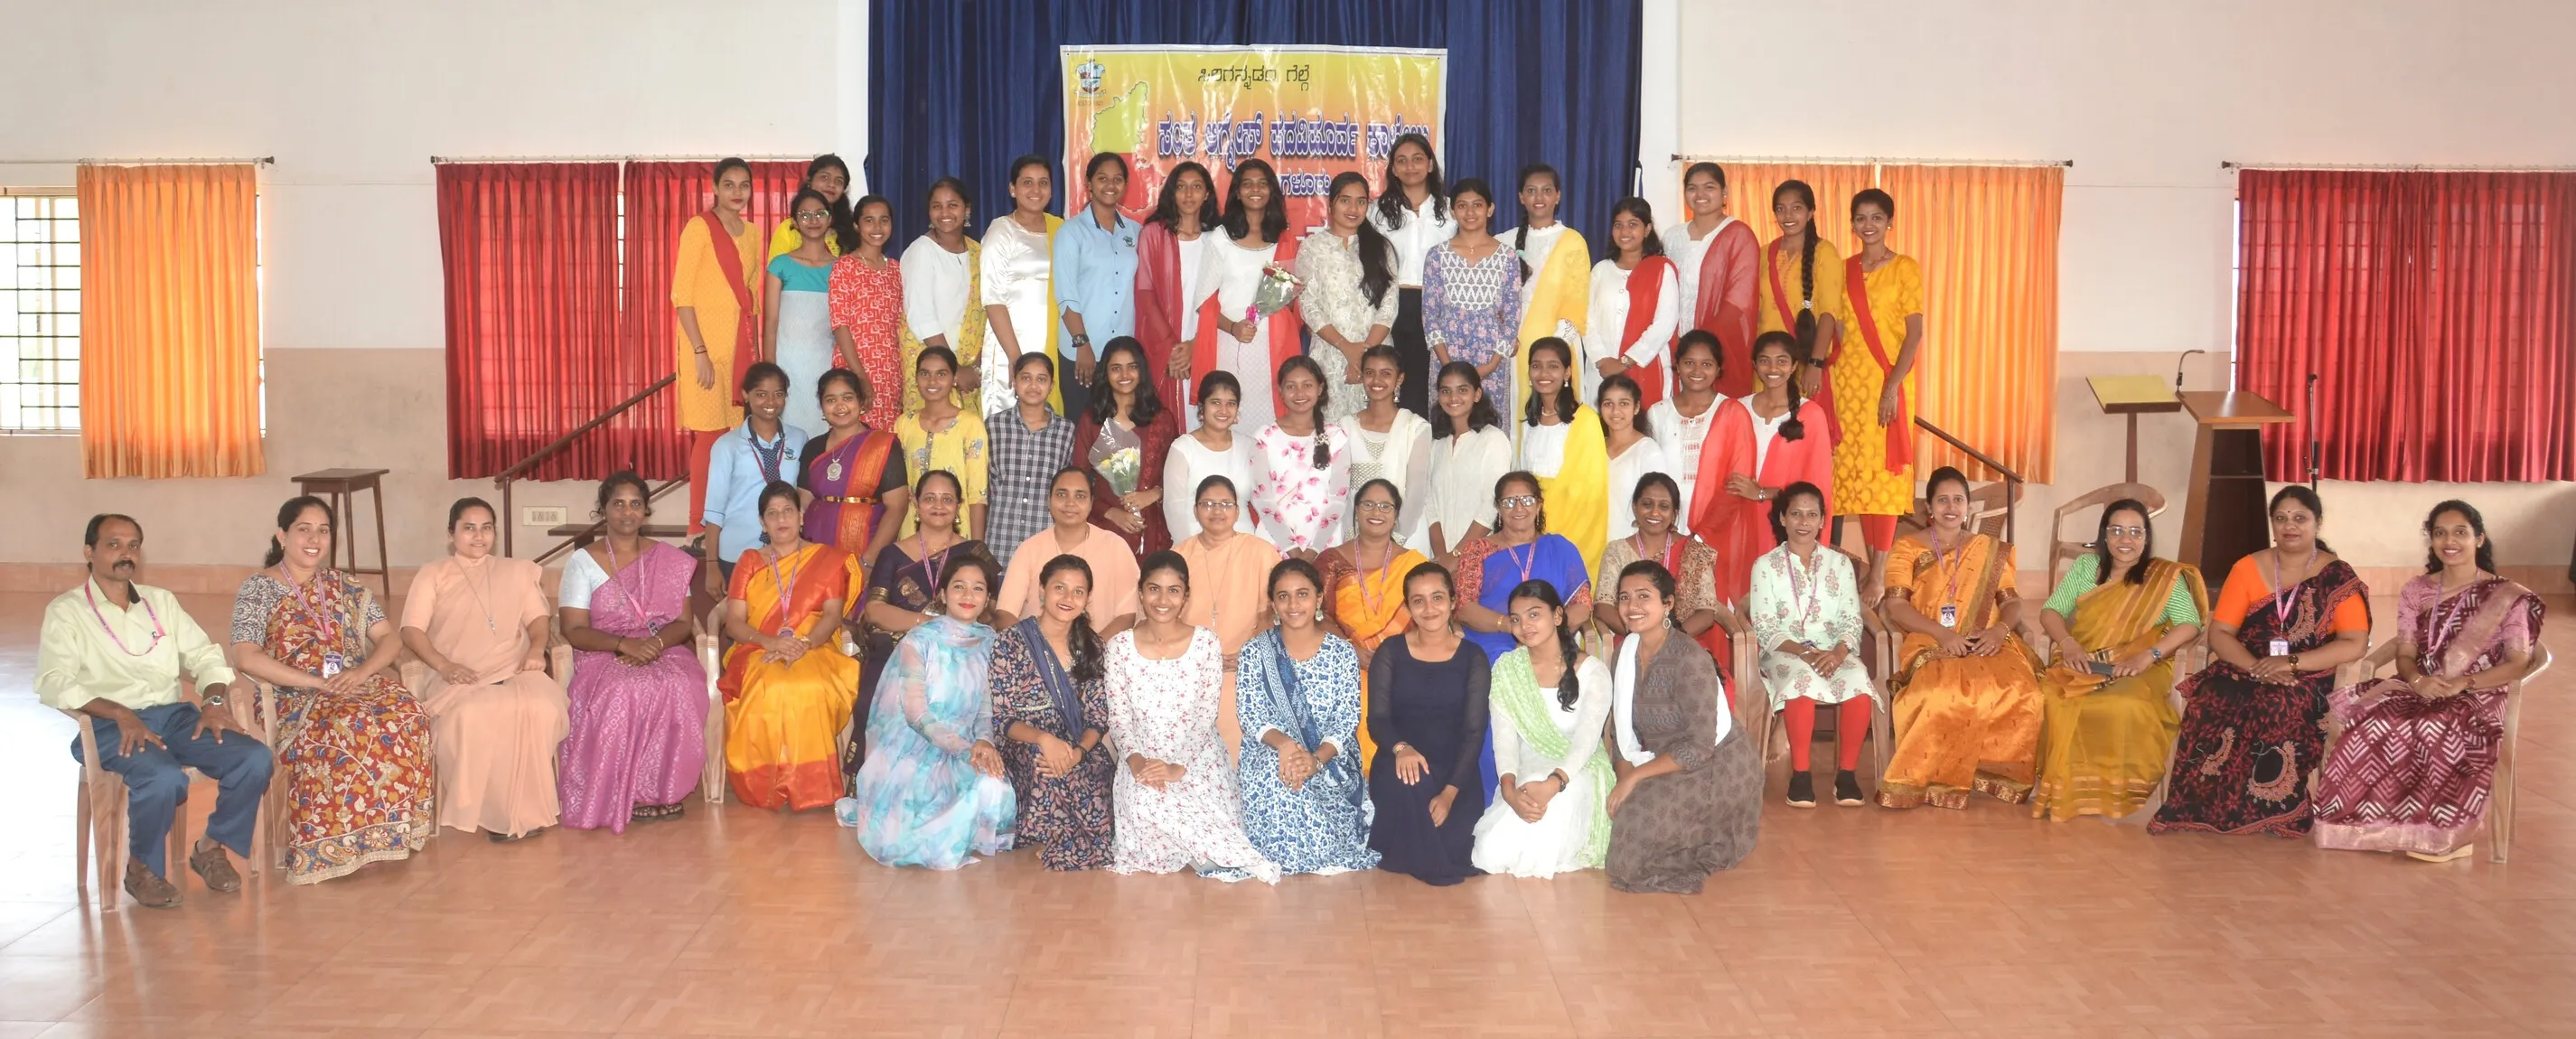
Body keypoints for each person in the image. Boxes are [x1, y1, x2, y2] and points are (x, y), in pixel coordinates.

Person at [38, 514, 270, 908]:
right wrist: (119, 712)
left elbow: (204, 656)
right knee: (164, 779)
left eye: (133, 546)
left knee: (254, 758)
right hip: (110, 725)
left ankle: (210, 847)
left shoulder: (159, 602)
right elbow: (54, 681)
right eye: (113, 545)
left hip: (174, 717)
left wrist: (214, 702)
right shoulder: (67, 611)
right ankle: (142, 869)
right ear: (89, 552)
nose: (125, 554)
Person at [2313, 501, 2540, 861]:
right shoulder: (2416, 590)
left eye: (2460, 532)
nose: (2450, 541)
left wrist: (2464, 683)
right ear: (2431, 540)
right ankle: (2380, 827)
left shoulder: (2509, 596)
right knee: (2375, 722)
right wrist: (2418, 680)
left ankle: (2448, 834)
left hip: (2480, 692)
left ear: (2479, 538)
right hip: (2418, 686)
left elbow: (2517, 663)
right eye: (2440, 533)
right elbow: (2405, 654)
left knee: (2438, 726)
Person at [229, 497, 432, 884]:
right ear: (282, 535)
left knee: (409, 713)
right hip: (296, 696)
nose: (314, 539)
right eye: (304, 529)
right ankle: (336, 844)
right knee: (350, 726)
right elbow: (246, 657)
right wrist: (316, 683)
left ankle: (385, 834)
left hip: (355, 684)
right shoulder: (258, 590)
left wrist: (362, 672)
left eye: (323, 531)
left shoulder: (345, 585)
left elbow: (389, 639)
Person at [2151, 486, 2371, 837]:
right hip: (2245, 666)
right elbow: (2221, 633)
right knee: (2212, 697)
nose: (2290, 526)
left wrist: (2291, 663)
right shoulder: (2248, 567)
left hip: (2308, 673)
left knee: (2281, 703)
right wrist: (2256, 667)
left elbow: (2354, 643)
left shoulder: (2336, 575)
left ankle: (2274, 810)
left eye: (2300, 518)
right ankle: (2205, 806)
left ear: (2317, 523)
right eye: (2281, 518)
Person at [398, 498, 567, 840]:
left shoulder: (516, 572)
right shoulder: (434, 573)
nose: (479, 536)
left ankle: (526, 810)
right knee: (473, 715)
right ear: (451, 534)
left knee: (542, 707)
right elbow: (411, 630)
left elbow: (538, 619)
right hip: (456, 676)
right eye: (469, 528)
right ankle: (495, 813)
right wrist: (445, 666)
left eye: (486, 528)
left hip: (515, 668)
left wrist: (537, 649)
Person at [1877, 466, 2046, 810]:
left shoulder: (1989, 549)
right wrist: (1942, 633)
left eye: (1958, 500)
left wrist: (1999, 630)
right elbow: (1896, 606)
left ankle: (1995, 773)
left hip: (1987, 639)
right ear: (1929, 507)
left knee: (2026, 692)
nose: (1950, 507)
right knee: (1939, 694)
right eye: (1942, 500)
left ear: (1968, 507)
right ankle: (1934, 779)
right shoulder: (1906, 548)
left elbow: (2011, 602)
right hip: (1929, 638)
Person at [1107, 551, 1280, 882]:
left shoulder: (1205, 643)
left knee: (1186, 801)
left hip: (1197, 755)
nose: (1163, 600)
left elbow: (1204, 717)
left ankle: (1223, 853)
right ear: (1141, 592)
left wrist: (1177, 766)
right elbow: (1119, 719)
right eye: (1154, 589)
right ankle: (1220, 853)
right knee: (1145, 799)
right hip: (1141, 756)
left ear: (1186, 596)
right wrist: (1137, 763)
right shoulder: (1119, 647)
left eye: (1173, 591)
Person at [2030, 499, 2207, 822]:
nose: (2126, 540)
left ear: (2146, 537)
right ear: (2104, 535)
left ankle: (2112, 791)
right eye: (2116, 531)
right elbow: (2051, 611)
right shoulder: (2086, 567)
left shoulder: (2163, 576)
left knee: (2125, 704)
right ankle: (2069, 787)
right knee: (2050, 698)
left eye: (2135, 532)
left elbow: (2189, 624)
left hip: (2139, 666)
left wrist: (2149, 655)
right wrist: (2068, 644)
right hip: (2082, 660)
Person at [557, 473, 712, 831]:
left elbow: (683, 622)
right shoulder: (583, 562)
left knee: (680, 684)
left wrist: (653, 646)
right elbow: (573, 629)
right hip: (603, 650)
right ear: (603, 510)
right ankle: (633, 792)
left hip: (662, 647)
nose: (627, 512)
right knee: (625, 689)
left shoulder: (669, 560)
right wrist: (623, 645)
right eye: (618, 504)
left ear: (646, 511)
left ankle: (665, 790)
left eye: (635, 504)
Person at [850, 553, 1016, 868]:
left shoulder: (991, 642)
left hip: (969, 744)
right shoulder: (919, 642)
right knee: (914, 818)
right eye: (959, 586)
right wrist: (965, 749)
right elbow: (917, 716)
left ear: (987, 599)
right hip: (916, 747)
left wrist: (984, 743)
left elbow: (986, 711)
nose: (968, 595)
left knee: (992, 788)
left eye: (978, 589)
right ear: (942, 594)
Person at [1606, 560, 1761, 894]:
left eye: (1643, 596)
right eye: (1624, 598)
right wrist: (1624, 776)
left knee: (1628, 859)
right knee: (1620, 822)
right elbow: (1620, 730)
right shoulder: (1624, 654)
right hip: (1660, 761)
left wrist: (1635, 778)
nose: (1632, 607)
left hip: (1715, 766)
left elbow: (1700, 746)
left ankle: (1701, 845)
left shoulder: (1688, 658)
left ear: (1668, 603)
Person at [1451, 473, 1596, 795]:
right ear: (1498, 507)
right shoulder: (1478, 550)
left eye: (1527, 500)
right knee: (1492, 695)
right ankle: (1495, 795)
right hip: (1491, 643)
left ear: (1539, 505)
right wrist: (1512, 625)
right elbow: (1463, 607)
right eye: (1509, 501)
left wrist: (1547, 634)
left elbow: (1583, 604)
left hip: (1551, 645)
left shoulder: (1560, 548)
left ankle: (1549, 786)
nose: (1518, 508)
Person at [718, 482, 859, 811]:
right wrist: (771, 642)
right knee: (772, 685)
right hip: (758, 648)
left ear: (801, 516)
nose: (781, 519)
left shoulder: (825, 559)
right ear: (762, 522)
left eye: (788, 511)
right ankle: (773, 781)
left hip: (815, 646)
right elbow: (735, 623)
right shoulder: (750, 561)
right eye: (772, 513)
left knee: (809, 685)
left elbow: (832, 615)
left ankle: (811, 784)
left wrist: (803, 644)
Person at [1235, 559, 1381, 875]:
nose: (1293, 604)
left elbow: (1346, 718)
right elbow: (1251, 714)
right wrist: (1286, 746)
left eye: (1302, 594)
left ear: (1318, 598)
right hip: (1272, 751)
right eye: (1283, 596)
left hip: (1331, 756)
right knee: (1279, 775)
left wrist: (1316, 759)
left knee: (1304, 774)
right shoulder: (1255, 652)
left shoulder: (1341, 653)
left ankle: (1319, 848)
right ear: (1273, 603)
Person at [1469, 579, 1613, 877]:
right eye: (1516, 619)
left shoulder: (1592, 671)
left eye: (1534, 614)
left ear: (1558, 616)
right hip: (1530, 768)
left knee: (1543, 836)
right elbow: (1504, 740)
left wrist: (1555, 783)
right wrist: (1509, 790)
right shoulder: (1507, 669)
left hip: (1579, 769)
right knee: (1491, 852)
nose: (1525, 626)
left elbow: (1587, 741)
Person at [1747, 482, 1875, 809]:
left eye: (1812, 514)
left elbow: (1851, 617)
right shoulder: (1765, 566)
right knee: (1801, 680)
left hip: (1834, 652)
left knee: (1859, 682)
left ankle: (1847, 775)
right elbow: (1765, 626)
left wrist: (1839, 652)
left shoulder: (1840, 564)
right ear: (1782, 518)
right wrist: (1805, 653)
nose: (1804, 522)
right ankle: (1801, 776)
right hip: (1784, 652)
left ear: (1822, 521)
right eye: (1796, 514)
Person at [855, 469, 984, 782]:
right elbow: (874, 610)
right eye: (930, 498)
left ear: (959, 506)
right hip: (900, 650)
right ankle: (884, 783)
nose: (938, 506)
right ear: (915, 502)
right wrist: (930, 625)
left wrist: (949, 635)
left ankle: (948, 781)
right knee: (874, 696)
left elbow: (988, 611)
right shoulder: (892, 553)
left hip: (957, 655)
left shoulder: (974, 552)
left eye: (947, 499)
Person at [989, 555, 1117, 869]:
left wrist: (1079, 752)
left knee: (1093, 779)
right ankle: (1054, 835)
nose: (1068, 598)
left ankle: (1071, 836)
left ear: (1087, 599)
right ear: (1042, 590)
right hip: (1025, 741)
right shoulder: (1010, 642)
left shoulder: (1092, 646)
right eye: (1060, 587)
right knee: (1046, 767)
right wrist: (1044, 739)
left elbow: (1098, 717)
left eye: (1078, 591)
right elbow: (1003, 718)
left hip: (1078, 742)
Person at [1366, 562, 1490, 886]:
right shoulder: (1391, 651)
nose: (1429, 608)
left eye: (1437, 598)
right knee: (1413, 789)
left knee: (1454, 847)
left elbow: (1474, 732)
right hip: (1400, 763)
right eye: (1418, 601)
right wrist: (1401, 748)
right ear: (1408, 607)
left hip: (1456, 771)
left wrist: (1449, 793)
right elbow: (1377, 720)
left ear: (1453, 601)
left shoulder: (1473, 657)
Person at [1692, 331, 1837, 606]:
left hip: (1783, 524)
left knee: (1779, 599)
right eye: (1765, 360)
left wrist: (1761, 493)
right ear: (1754, 365)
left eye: (1782, 361)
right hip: (1738, 522)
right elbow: (1716, 469)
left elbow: (1817, 488)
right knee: (1737, 599)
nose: (1773, 368)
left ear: (1794, 366)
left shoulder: (1811, 415)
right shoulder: (1737, 409)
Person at [1834, 189, 1925, 586]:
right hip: (1846, 386)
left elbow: (1914, 334)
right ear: (1852, 224)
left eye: (1876, 217)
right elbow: (1837, 329)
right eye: (1860, 218)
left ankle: (1879, 573)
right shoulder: (1843, 270)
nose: (1867, 225)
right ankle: (1875, 568)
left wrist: (1891, 388)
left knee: (1884, 477)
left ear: (1890, 222)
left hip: (1888, 381)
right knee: (1857, 477)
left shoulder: (1905, 267)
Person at [676, 157, 763, 537]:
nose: (737, 193)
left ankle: (730, 522)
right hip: (705, 350)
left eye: (744, 185)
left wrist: (756, 355)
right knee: (709, 437)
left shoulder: (754, 234)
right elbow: (681, 297)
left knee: (737, 439)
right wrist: (700, 353)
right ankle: (697, 526)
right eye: (729, 185)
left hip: (740, 346)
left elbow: (752, 297)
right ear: (715, 188)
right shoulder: (699, 228)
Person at [1320, 478, 1429, 772]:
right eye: (1368, 504)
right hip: (1346, 664)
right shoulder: (1331, 560)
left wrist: (1398, 657)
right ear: (1356, 510)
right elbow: (1319, 616)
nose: (1376, 512)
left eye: (1385, 506)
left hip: (1404, 663)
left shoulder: (1415, 564)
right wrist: (1351, 651)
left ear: (1396, 514)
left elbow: (1428, 617)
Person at [1172, 475, 1282, 759]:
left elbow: (1274, 611)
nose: (1217, 511)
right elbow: (1163, 617)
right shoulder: (1178, 556)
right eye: (1208, 504)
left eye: (1225, 504)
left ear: (1237, 510)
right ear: (1195, 510)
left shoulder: (1261, 552)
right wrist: (1198, 658)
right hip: (1190, 669)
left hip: (1245, 667)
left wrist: (1250, 653)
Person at [1190, 158, 1302, 432]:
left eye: (1262, 184)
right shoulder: (1221, 237)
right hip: (1231, 344)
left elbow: (1290, 300)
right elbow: (1204, 301)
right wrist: (1233, 328)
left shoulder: (1284, 239)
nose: (1255, 189)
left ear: (1271, 191)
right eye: (1248, 184)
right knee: (1230, 418)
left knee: (1270, 424)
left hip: (1274, 349)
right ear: (1237, 192)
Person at [797, 368, 909, 606]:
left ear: (861, 401)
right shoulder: (813, 448)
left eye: (847, 398)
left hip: (865, 548)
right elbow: (803, 503)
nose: (840, 406)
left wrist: (869, 561)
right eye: (830, 400)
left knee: (856, 615)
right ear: (822, 407)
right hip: (817, 549)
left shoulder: (883, 445)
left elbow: (897, 507)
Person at [1296, 170, 1400, 419]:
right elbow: (1308, 304)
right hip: (1330, 355)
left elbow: (1389, 304)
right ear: (1331, 204)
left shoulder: (1381, 247)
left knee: (1377, 427)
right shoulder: (1312, 247)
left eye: (1361, 201)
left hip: (1377, 357)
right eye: (1345, 200)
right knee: (1332, 429)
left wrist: (1364, 355)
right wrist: (1346, 348)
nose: (1353, 208)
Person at [1595, 473, 1726, 672]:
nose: (1654, 512)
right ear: (1635, 508)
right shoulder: (1616, 551)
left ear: (1674, 514)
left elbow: (1706, 613)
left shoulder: (1695, 552)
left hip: (1684, 641)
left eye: (1664, 506)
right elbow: (1603, 607)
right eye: (1647, 504)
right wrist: (1639, 636)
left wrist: (1668, 640)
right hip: (1633, 641)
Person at [700, 361, 807, 597]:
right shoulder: (726, 446)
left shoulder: (799, 439)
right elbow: (714, 511)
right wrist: (711, 566)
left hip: (786, 550)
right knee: (740, 615)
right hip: (737, 551)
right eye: (761, 394)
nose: (771, 402)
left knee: (784, 615)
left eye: (778, 394)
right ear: (746, 395)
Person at [995, 467, 1141, 633]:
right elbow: (1005, 613)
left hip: (1101, 647)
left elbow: (1127, 615)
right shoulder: (1029, 549)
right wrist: (1035, 646)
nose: (1070, 503)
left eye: (1080, 496)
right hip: (1034, 647)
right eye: (1061, 494)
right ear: (1049, 500)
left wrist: (1094, 648)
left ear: (1091, 503)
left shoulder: (1115, 547)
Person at [1370, 133, 1455, 418]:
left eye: (1417, 159)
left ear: (1430, 164)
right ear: (1393, 169)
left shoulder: (1451, 210)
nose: (1410, 167)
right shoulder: (1376, 213)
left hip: (1439, 307)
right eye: (1402, 161)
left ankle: (1434, 440)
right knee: (1396, 383)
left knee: (1436, 382)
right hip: (1393, 307)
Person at [1054, 152, 1141, 421]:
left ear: (1125, 185)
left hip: (1121, 356)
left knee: (1118, 427)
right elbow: (1066, 296)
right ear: (1089, 183)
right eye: (1102, 178)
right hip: (1082, 352)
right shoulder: (1071, 232)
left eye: (1117, 179)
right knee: (1083, 425)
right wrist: (1083, 344)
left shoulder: (1136, 232)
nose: (1110, 185)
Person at [1071, 336, 1179, 555]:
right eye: (1116, 369)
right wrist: (1111, 513)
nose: (1124, 375)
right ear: (1105, 373)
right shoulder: (1092, 421)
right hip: (1105, 529)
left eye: (1132, 367)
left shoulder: (1162, 419)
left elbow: (1177, 474)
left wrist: (1154, 493)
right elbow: (1078, 480)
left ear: (1142, 371)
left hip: (1152, 529)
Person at [1507, 164, 1589, 449]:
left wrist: (1552, 353)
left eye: (1546, 190)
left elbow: (1577, 302)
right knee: (1518, 417)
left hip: (1557, 345)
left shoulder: (1573, 241)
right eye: (1531, 190)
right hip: (1513, 348)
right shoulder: (1504, 241)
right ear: (1521, 196)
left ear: (1558, 196)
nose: (1539, 197)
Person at [1423, 177, 1523, 414]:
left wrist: (1491, 365)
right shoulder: (1436, 256)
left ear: (1490, 209)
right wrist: (1449, 367)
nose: (1470, 212)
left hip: (1491, 364)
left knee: (1488, 428)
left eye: (1477, 205)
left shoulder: (1508, 257)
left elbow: (1512, 316)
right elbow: (1429, 315)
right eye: (1462, 205)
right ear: (1452, 211)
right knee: (1448, 426)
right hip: (1446, 360)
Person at [1668, 163, 1760, 398]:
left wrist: (1700, 347)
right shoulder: (1672, 237)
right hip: (1671, 346)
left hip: (1720, 346)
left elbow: (1740, 300)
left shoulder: (1739, 235)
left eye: (1709, 187)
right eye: (1692, 188)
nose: (1700, 194)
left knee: (1718, 413)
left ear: (1724, 192)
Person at [1516, 336, 1609, 567]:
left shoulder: (1585, 420)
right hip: (1527, 534)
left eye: (1553, 366)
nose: (1543, 373)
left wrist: (1552, 543)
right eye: (1536, 366)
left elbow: (1590, 496)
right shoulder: (1529, 423)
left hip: (1572, 538)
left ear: (1567, 372)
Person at [1134, 160, 1218, 411]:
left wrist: (1196, 344)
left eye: (1196, 187)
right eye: (1181, 187)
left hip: (1208, 340)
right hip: (1164, 344)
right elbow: (1145, 294)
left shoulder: (1218, 239)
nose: (1189, 194)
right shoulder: (1153, 235)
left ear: (1207, 194)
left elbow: (1224, 298)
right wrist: (1172, 347)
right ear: (1172, 192)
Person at [981, 155, 1063, 415]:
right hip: (1011, 343)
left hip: (1052, 342)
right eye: (1027, 182)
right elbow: (993, 299)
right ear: (1012, 189)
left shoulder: (1061, 229)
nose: (1036, 190)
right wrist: (1016, 359)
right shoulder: (1001, 231)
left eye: (1043, 183)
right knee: (1008, 423)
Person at [1250, 356, 1352, 559]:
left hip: (1324, 543)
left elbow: (1339, 500)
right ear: (1280, 391)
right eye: (1291, 386)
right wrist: (1292, 549)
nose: (1299, 393)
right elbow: (1262, 500)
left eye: (1307, 385)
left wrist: (1314, 551)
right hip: (1274, 541)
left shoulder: (1336, 437)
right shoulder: (1264, 437)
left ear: (1320, 388)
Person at [900, 176, 987, 416]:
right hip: (931, 365)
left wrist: (975, 366)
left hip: (971, 367)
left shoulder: (979, 252)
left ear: (967, 209)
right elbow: (921, 316)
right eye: (937, 206)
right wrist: (954, 369)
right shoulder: (921, 251)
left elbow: (986, 312)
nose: (945, 213)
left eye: (952, 205)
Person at [1582, 198, 1679, 406]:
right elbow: (1586, 320)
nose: (1624, 231)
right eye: (1618, 225)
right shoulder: (1601, 270)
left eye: (1633, 224)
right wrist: (1601, 359)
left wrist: (1626, 362)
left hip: (1646, 366)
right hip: (1601, 370)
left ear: (1647, 229)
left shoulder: (1662, 270)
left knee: (1644, 421)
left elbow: (1664, 324)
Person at [984, 351, 1076, 568]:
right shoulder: (993, 426)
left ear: (1051, 385)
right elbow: (983, 487)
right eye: (1026, 378)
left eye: (1041, 379)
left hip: (1046, 545)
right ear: (1014, 382)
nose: (1033, 385)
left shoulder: (1066, 431)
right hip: (999, 543)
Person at [1336, 345, 1433, 547]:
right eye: (1369, 373)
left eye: (1386, 374)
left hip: (1405, 537)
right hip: (1356, 534)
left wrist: (1394, 540)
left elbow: (1416, 492)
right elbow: (1340, 490)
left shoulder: (1416, 427)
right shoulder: (1345, 426)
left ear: (1400, 379)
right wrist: (1353, 537)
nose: (1376, 380)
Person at [826, 193, 906, 432]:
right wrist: (860, 376)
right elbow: (840, 325)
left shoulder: (897, 269)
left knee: (885, 442)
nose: (877, 227)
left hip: (890, 371)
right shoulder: (844, 267)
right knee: (854, 439)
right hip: (854, 368)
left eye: (884, 220)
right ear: (856, 225)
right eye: (869, 220)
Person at [1757, 180, 1845, 397]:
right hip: (1766, 365)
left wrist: (1815, 363)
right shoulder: (1764, 253)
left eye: (1796, 208)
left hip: (1806, 364)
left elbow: (1829, 313)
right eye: (1781, 209)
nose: (1788, 216)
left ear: (1811, 212)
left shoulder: (1825, 252)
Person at [767, 189, 843, 435]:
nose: (813, 220)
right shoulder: (780, 265)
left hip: (826, 363)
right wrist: (770, 372)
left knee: (824, 432)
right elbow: (770, 323)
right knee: (789, 434)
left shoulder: (841, 268)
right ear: (794, 222)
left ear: (830, 218)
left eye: (820, 213)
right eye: (805, 214)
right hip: (787, 363)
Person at [893, 346, 989, 539]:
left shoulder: (970, 424)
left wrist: (976, 546)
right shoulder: (904, 423)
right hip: (911, 531)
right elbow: (898, 489)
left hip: (958, 531)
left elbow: (977, 493)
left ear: (954, 378)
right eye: (925, 374)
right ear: (916, 378)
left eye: (941, 374)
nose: (932, 381)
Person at [1423, 361, 1513, 562]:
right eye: (1446, 391)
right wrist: (1442, 557)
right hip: (1440, 557)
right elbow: (1429, 502)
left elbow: (1492, 504)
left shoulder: (1493, 439)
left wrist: (1457, 555)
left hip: (1482, 557)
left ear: (1477, 394)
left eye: (1462, 390)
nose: (1453, 398)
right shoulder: (1436, 443)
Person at [1162, 371, 1258, 543]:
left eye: (1231, 403)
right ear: (1202, 407)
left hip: (1244, 547)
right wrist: (1191, 552)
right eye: (1215, 402)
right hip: (1195, 547)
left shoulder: (1250, 447)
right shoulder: (1183, 448)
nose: (1223, 410)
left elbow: (1266, 504)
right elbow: (1173, 510)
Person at [1649, 330, 1726, 534]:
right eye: (1689, 363)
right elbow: (1649, 474)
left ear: (1718, 369)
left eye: (1707, 364)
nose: (1697, 371)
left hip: (1718, 523)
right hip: (1665, 521)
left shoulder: (1730, 411)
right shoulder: (1658, 413)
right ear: (1678, 365)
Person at [1597, 373, 1670, 545]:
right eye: (1608, 404)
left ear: (1636, 407)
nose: (1615, 411)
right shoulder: (1595, 448)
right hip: (1593, 548)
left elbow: (1658, 508)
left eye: (1624, 403)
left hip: (1632, 549)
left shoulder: (1648, 451)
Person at [769, 154, 852, 259]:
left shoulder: (851, 230)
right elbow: (777, 268)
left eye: (839, 181)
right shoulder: (790, 228)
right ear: (809, 181)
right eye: (824, 177)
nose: (832, 184)